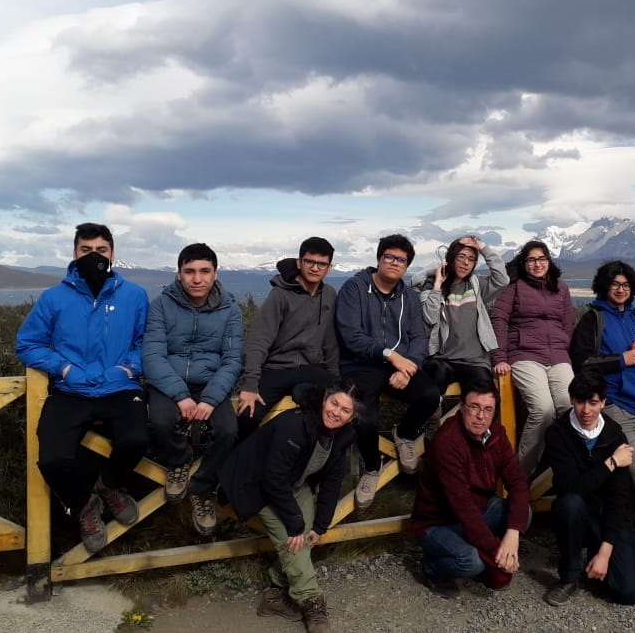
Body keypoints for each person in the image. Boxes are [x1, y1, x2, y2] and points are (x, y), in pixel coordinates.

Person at [16, 222, 149, 554]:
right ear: (74, 253)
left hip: (119, 388)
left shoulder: (135, 295)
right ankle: (84, 504)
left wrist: (128, 368)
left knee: (136, 440)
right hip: (70, 391)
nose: (94, 256)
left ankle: (110, 486)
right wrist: (63, 368)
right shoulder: (54, 298)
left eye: (101, 250)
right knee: (52, 460)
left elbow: (147, 342)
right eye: (86, 250)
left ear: (113, 253)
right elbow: (27, 344)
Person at [218, 384, 357, 633]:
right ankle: (312, 602)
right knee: (293, 539)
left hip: (294, 483)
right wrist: (294, 525)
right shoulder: (296, 424)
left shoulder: (343, 435)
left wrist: (320, 525)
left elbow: (333, 481)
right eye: (334, 403)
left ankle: (274, 594)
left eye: (345, 410)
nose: (336, 413)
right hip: (257, 484)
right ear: (324, 398)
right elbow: (273, 478)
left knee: (306, 537)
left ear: (352, 416)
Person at [569, 261, 635, 553]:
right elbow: (582, 363)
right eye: (615, 284)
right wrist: (620, 360)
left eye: (626, 284)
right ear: (605, 286)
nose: (621, 289)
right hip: (618, 402)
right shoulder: (594, 318)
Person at [142, 243, 243, 536]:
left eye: (204, 271)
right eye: (190, 271)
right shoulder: (161, 305)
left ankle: (202, 487)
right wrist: (180, 396)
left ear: (215, 273)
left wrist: (211, 398)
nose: (197, 278)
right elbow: (152, 355)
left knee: (227, 431)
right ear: (178, 274)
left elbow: (233, 359)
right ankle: (179, 461)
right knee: (159, 422)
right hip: (168, 382)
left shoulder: (231, 310)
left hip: (211, 383)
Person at [334, 234, 437, 508]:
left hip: (400, 365)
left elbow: (418, 338)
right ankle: (372, 467)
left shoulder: (410, 297)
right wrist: (392, 356)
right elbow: (351, 336)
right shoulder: (354, 289)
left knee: (430, 396)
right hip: (360, 365)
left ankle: (404, 434)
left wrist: (408, 367)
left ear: (406, 266)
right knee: (363, 418)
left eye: (401, 260)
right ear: (379, 259)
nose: (394, 262)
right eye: (389, 257)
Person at [411, 376, 530, 597]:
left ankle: (486, 551)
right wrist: (498, 551)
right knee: (470, 561)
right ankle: (431, 568)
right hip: (438, 522)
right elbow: (463, 508)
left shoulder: (497, 434)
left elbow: (518, 483)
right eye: (474, 407)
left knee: (523, 515)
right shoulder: (448, 442)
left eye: (487, 409)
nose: (480, 416)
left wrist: (512, 536)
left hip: (481, 509)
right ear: (462, 407)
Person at [543, 372, 635, 607]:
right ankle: (569, 575)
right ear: (571, 400)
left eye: (593, 402)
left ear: (604, 403)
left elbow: (618, 499)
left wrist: (605, 553)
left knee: (630, 593)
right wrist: (612, 463)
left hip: (606, 516)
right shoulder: (557, 433)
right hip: (574, 512)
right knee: (569, 503)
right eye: (580, 402)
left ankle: (603, 557)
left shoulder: (615, 435)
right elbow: (572, 487)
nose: (586, 410)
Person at [237, 237, 339, 439]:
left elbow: (330, 339)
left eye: (322, 264)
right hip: (275, 369)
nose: (315, 268)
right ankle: (240, 464)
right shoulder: (280, 295)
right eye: (310, 261)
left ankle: (309, 463)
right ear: (299, 262)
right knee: (248, 416)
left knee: (338, 404)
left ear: (329, 268)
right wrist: (250, 384)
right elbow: (258, 340)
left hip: (309, 369)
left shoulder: (329, 294)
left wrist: (335, 376)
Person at [489, 240, 575, 476]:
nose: (537, 264)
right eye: (531, 260)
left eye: (542, 259)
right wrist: (499, 358)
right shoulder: (514, 287)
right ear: (523, 263)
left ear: (549, 260)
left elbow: (568, 323)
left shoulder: (561, 287)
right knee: (543, 410)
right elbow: (498, 320)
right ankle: (520, 476)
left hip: (558, 356)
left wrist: (566, 350)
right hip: (524, 355)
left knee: (570, 408)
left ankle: (561, 471)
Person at [416, 235, 508, 396]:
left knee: (485, 400)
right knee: (431, 391)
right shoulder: (431, 286)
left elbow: (502, 279)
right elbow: (429, 318)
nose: (466, 263)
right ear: (451, 258)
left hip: (476, 362)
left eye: (471, 259)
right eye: (461, 257)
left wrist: (481, 246)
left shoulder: (477, 285)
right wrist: (437, 285)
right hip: (442, 359)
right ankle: (433, 417)